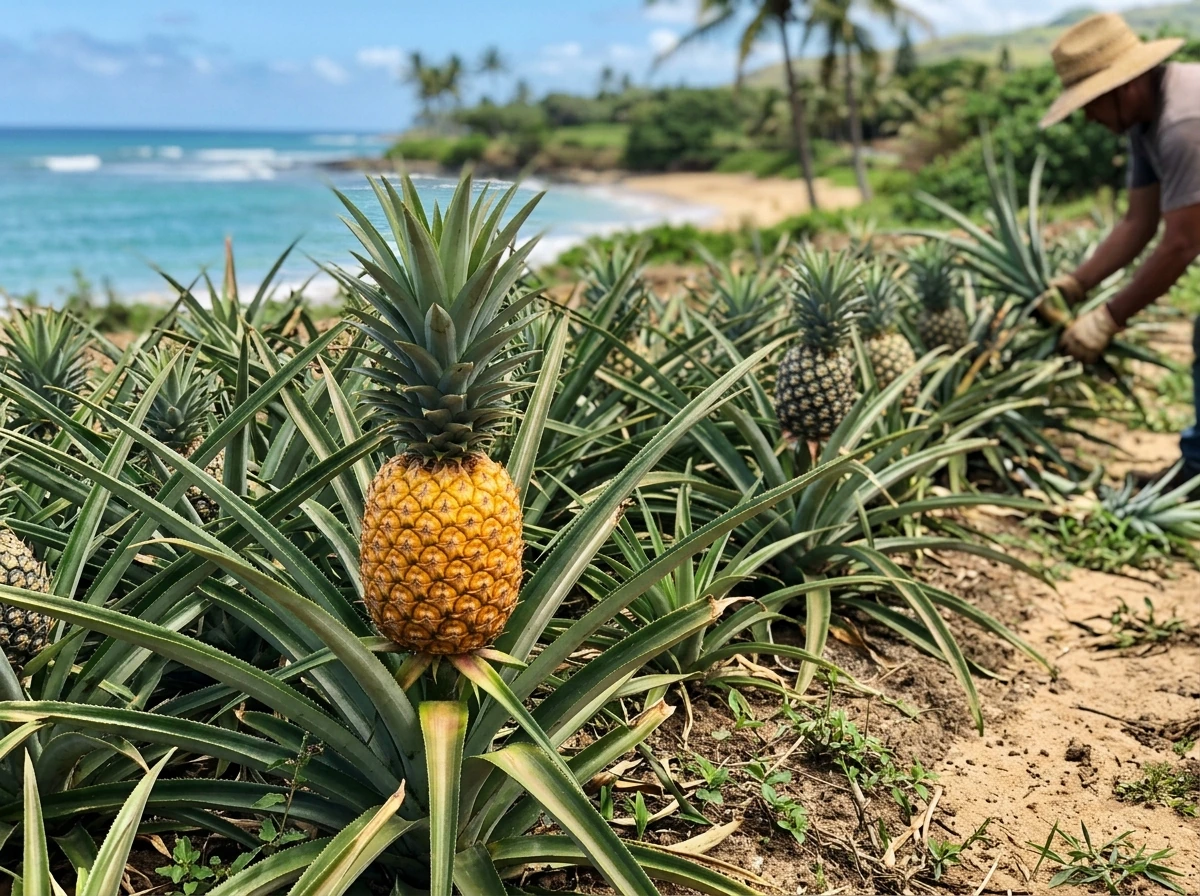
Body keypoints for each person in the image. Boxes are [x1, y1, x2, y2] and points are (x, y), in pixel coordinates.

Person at [1039, 12, 1200, 486]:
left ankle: (1196, 473)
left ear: (1125, 87)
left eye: (1091, 103)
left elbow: (1183, 242)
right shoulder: (1143, 124)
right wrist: (1075, 285)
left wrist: (1108, 318)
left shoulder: (1182, 124)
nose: (1088, 116)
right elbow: (1139, 222)